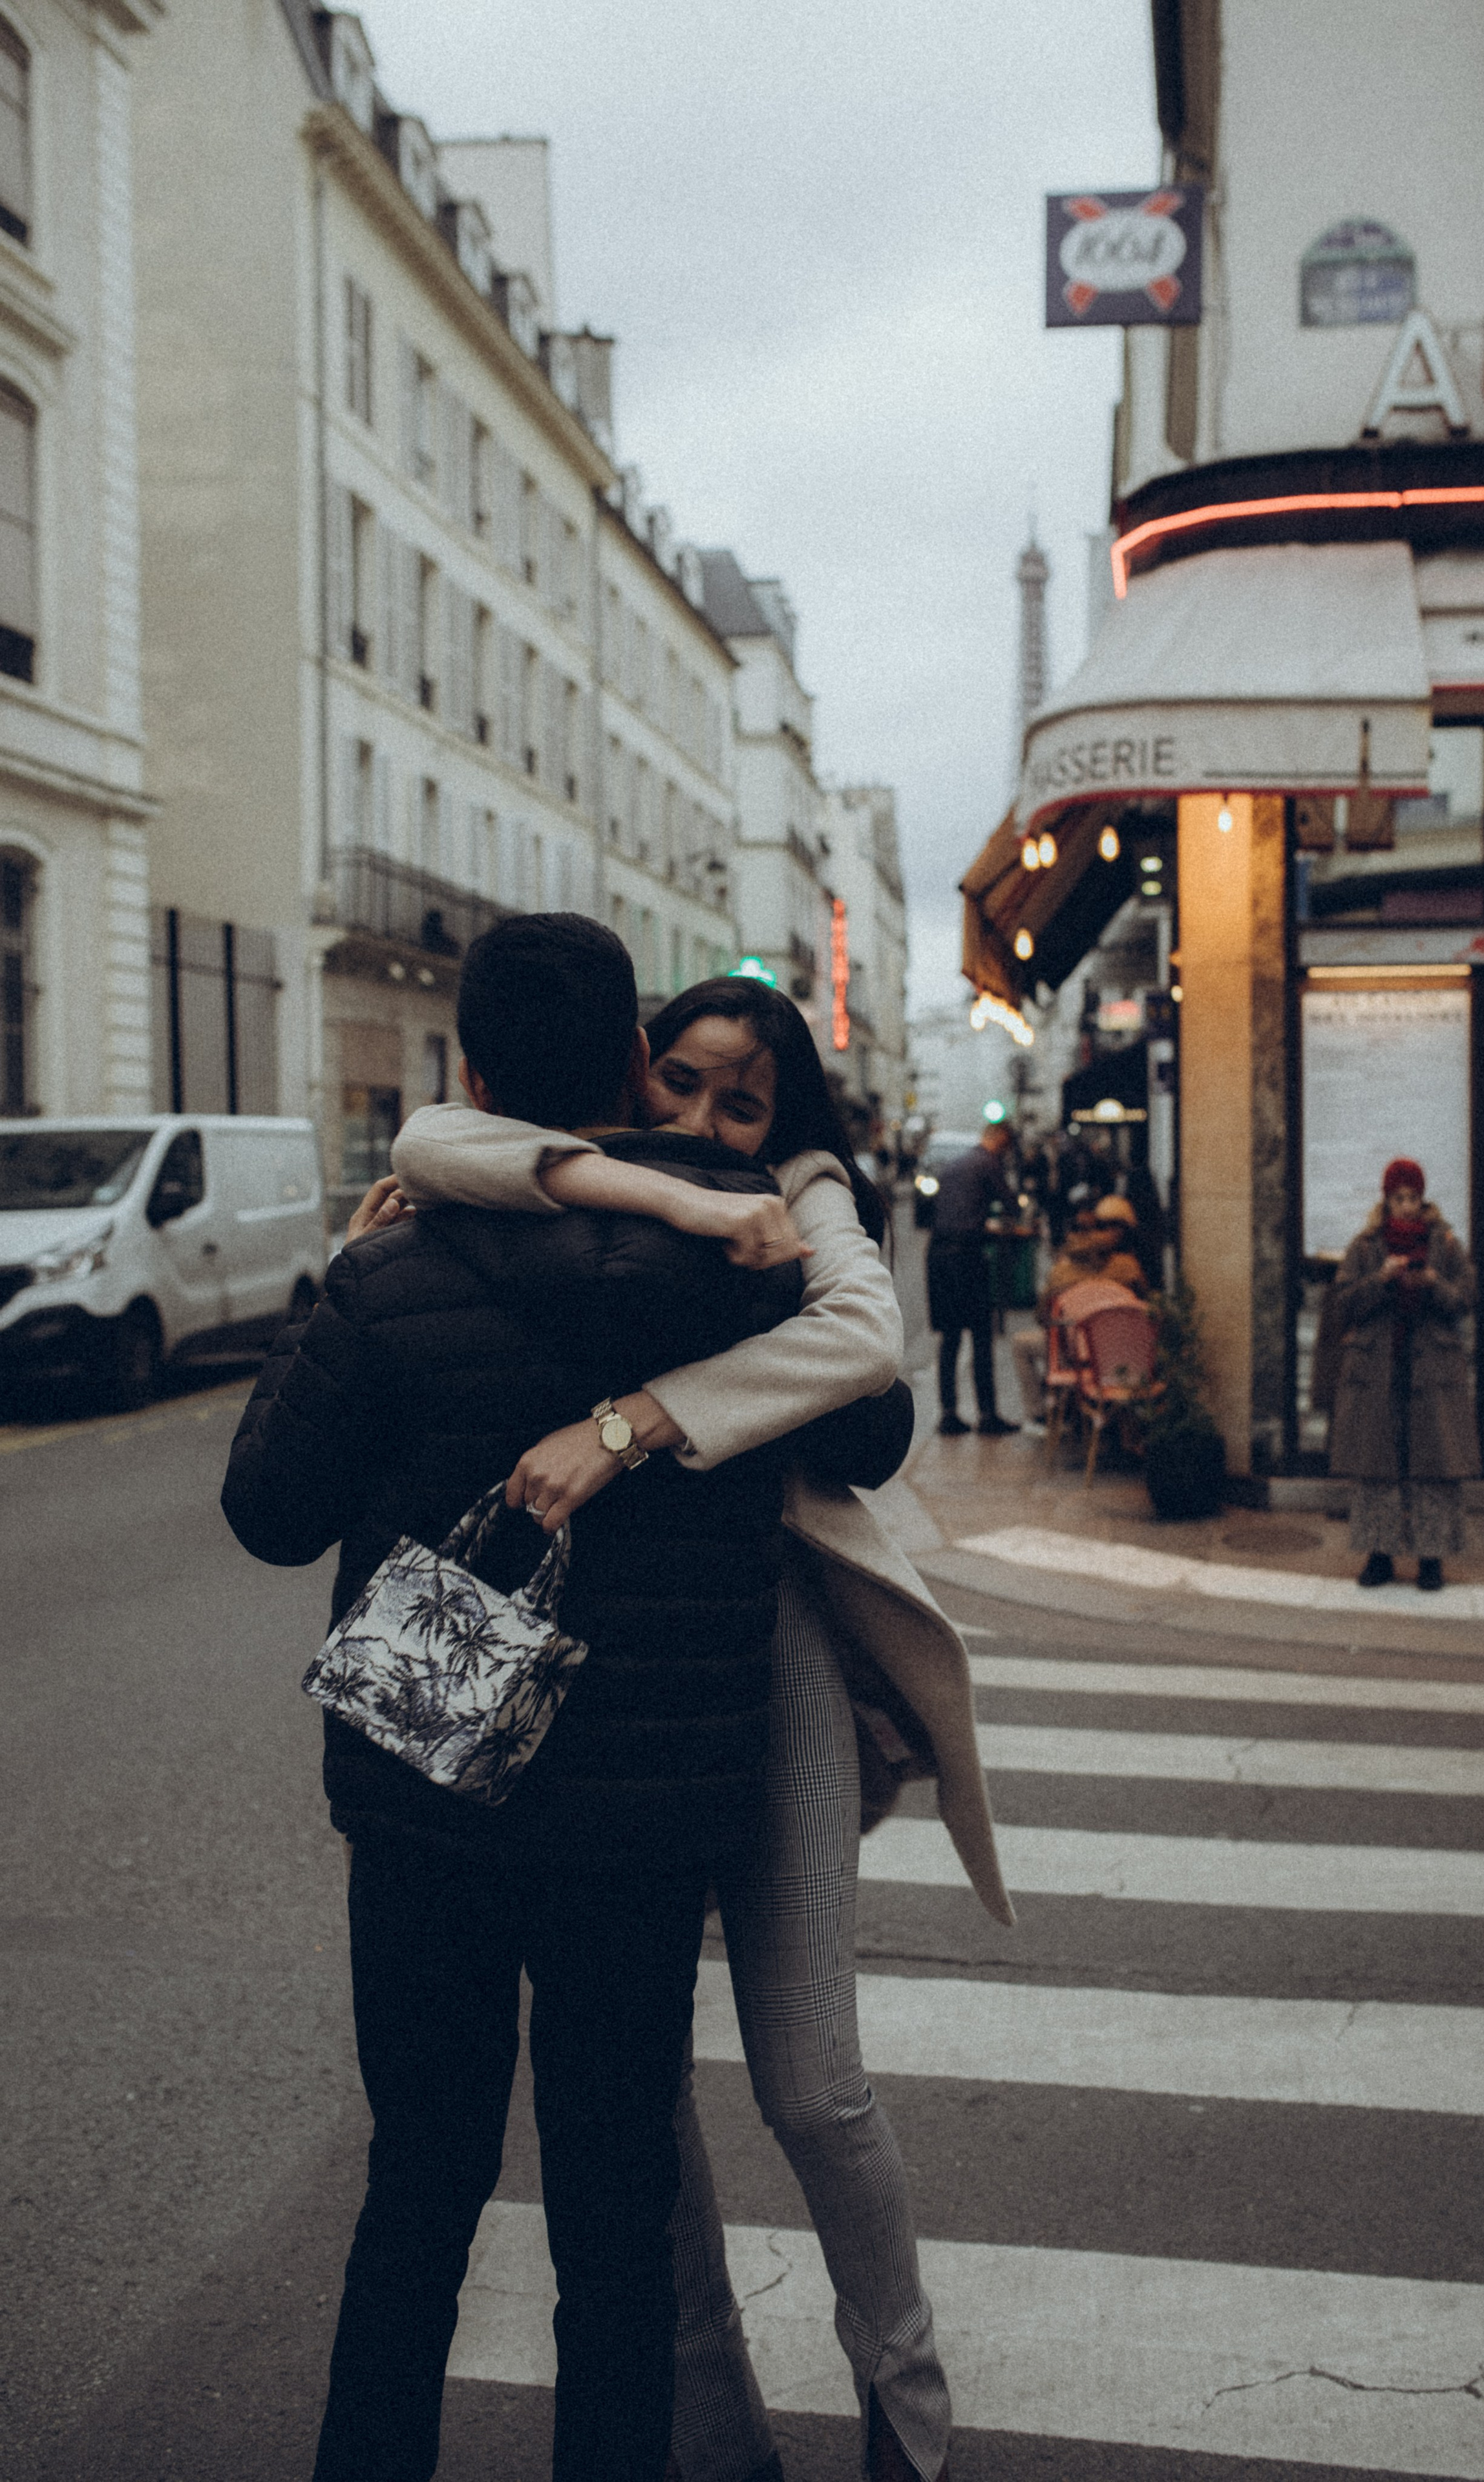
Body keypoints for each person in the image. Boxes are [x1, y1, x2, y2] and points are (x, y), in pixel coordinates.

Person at [387, 976, 1013, 2482]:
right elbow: (427, 1139)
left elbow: (863, 1342)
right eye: (678, 1079)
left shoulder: (792, 1196)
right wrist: (629, 1180)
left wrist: (631, 1422)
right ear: (630, 1065)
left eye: (742, 1101)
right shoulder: (575, 1172)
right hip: (595, 1662)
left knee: (809, 2078)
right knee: (632, 2102)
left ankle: (907, 2408)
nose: (704, 1120)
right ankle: (712, 2430)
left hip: (768, 1636)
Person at [220, 917, 817, 2482]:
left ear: (471, 1077)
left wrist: (336, 1287)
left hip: (427, 1807)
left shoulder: (391, 1273)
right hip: (644, 1824)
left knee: (418, 2187)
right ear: (634, 1063)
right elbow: (867, 1435)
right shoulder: (747, 1273)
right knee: (615, 2216)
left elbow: (271, 1511)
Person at [1323, 1155, 1479, 1591]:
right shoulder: (1366, 1246)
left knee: (1433, 1464)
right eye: (1399, 1198)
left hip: (1432, 1369)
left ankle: (1431, 1559)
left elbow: (1466, 1298)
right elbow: (1343, 1303)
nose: (1407, 1206)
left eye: (1413, 1197)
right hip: (1379, 1366)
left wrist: (1433, 1283)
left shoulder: (1445, 1243)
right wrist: (1381, 1279)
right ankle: (1379, 1556)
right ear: (1387, 1201)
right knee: (1378, 1465)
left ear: (1423, 1199)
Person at [1008, 1198, 1150, 1427]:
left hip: (1073, 1355)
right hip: (1121, 1354)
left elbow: (1043, 1317)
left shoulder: (1061, 1271)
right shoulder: (1128, 1267)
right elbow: (1146, 1307)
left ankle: (1039, 1415)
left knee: (1021, 1345)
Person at [926, 1119, 1019, 1437]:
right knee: (981, 1335)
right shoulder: (988, 1163)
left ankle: (948, 1413)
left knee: (950, 1337)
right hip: (966, 1256)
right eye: (1007, 1145)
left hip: (938, 1255)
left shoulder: (954, 1164)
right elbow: (1011, 1205)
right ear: (1000, 1138)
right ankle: (987, 1415)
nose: (1006, 1151)